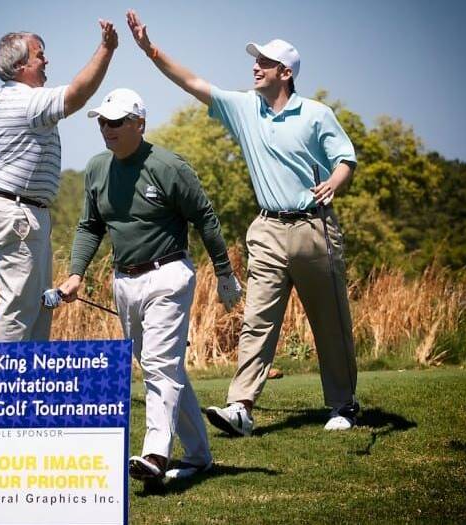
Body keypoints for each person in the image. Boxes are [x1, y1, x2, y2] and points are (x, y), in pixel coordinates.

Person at [127, 10, 360, 433]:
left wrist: (334, 183)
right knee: (257, 320)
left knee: (329, 321)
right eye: (256, 61)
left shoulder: (316, 114)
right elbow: (193, 83)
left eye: (265, 63)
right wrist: (150, 50)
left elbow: (345, 159)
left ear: (285, 73)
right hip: (267, 228)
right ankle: (241, 407)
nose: (255, 66)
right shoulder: (243, 107)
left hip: (314, 227)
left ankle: (342, 406)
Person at [56, 88, 242, 482]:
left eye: (117, 122)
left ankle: (156, 454)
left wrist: (224, 272)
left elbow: (205, 217)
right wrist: (76, 274)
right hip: (124, 282)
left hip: (168, 274)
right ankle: (197, 455)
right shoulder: (95, 169)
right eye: (103, 122)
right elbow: (90, 225)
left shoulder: (168, 166)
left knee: (158, 365)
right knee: (164, 367)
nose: (108, 129)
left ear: (139, 123)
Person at [0, 22, 118, 342]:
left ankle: (32, 383)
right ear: (20, 65)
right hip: (16, 211)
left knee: (40, 303)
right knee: (19, 305)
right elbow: (77, 95)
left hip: (20, 209)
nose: (47, 62)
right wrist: (106, 50)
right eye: (40, 56)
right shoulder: (27, 101)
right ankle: (2, 386)